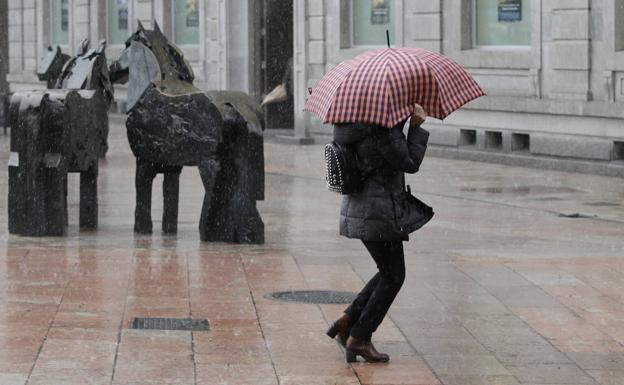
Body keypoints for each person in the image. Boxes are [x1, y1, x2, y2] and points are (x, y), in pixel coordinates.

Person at [326, 104, 431, 363]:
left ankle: (349, 320)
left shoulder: (350, 122)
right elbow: (409, 162)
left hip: (362, 206)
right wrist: (416, 127)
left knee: (389, 272)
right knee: (394, 275)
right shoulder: (381, 126)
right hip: (380, 210)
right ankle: (359, 337)